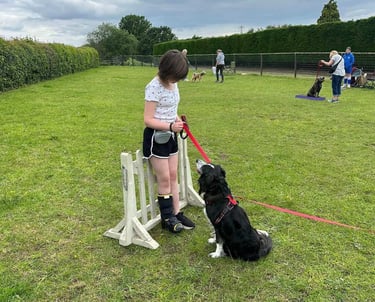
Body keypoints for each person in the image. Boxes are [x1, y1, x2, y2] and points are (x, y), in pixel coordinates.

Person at [143, 49, 195, 233]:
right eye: (175, 76)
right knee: (164, 178)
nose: (177, 81)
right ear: (167, 70)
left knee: (173, 175)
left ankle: (176, 212)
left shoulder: (173, 84)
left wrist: (176, 121)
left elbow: (171, 109)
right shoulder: (154, 86)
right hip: (156, 137)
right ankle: (167, 218)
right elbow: (148, 119)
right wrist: (170, 126)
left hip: (171, 133)